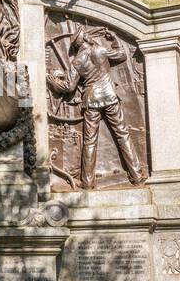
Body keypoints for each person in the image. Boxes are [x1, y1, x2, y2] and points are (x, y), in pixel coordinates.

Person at [48, 26, 146, 189]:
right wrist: (114, 39)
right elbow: (121, 54)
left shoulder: (77, 61)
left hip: (92, 100)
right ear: (85, 39)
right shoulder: (100, 50)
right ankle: (137, 175)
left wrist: (53, 82)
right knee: (123, 135)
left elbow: (69, 87)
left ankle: (87, 182)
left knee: (90, 141)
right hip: (110, 96)